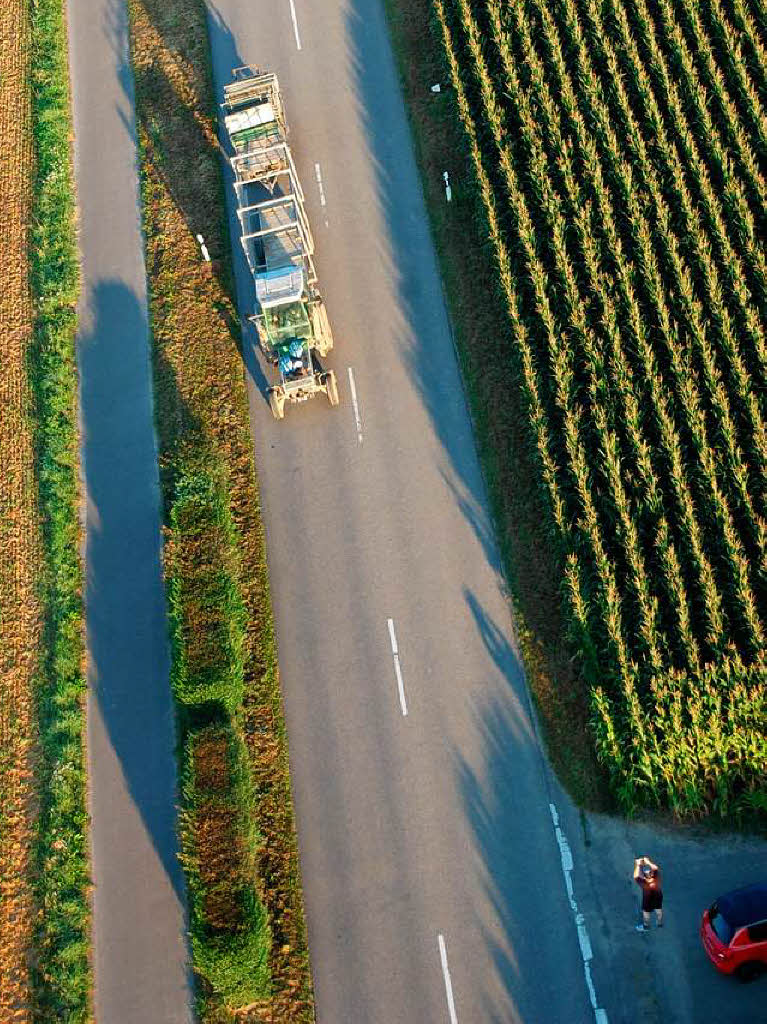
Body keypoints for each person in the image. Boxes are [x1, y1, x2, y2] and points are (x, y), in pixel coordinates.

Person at [634, 856, 663, 931]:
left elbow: (636, 876)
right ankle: (659, 922)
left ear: (644, 875)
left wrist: (638, 865)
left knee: (646, 913)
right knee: (658, 909)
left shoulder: (644, 882)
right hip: (658, 896)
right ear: (652, 872)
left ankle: (646, 926)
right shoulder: (656, 878)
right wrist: (648, 861)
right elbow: (655, 868)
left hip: (648, 899)